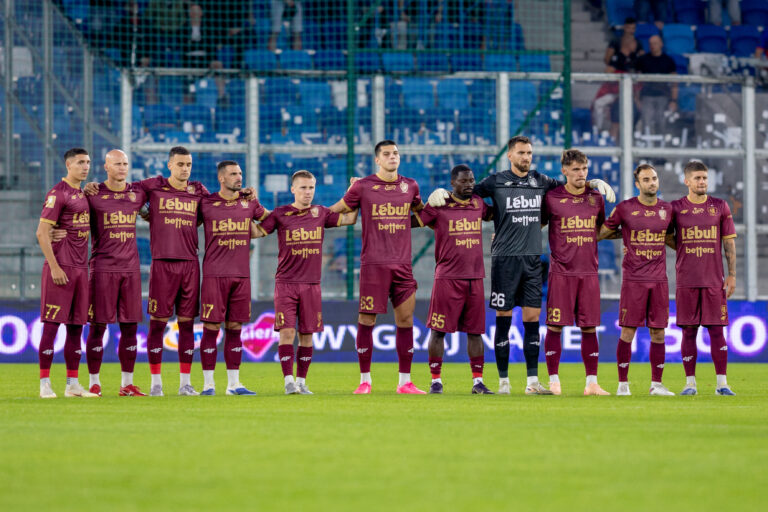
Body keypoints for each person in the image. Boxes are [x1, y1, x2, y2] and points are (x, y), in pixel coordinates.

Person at [427, 136, 615, 395]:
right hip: (504, 259)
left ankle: (532, 382)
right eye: (521, 153)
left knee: (532, 320)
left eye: (529, 153)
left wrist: (591, 182)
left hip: (532, 259)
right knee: (503, 319)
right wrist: (443, 193)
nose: (526, 157)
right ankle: (504, 383)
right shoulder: (495, 181)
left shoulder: (540, 181)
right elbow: (466, 192)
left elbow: (569, 185)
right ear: (510, 155)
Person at [329, 140, 426, 394]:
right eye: (387, 154)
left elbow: (422, 214)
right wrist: (312, 217)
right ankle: (365, 380)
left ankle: (405, 382)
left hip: (402, 265)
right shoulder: (363, 186)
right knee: (366, 319)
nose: (393, 157)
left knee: (406, 320)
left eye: (396, 153)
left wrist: (438, 207)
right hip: (373, 264)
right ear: (377, 160)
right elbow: (337, 209)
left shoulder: (411, 186)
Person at [256, 170, 358, 394]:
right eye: (303, 187)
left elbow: (350, 218)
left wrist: (355, 192)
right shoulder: (281, 214)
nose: (308, 192)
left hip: (312, 284)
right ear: (293, 189)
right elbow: (257, 232)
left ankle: (301, 382)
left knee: (307, 334)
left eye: (311, 187)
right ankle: (288, 381)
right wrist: (244, 209)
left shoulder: (320, 213)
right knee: (287, 333)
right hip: (286, 283)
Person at [412, 164, 494, 394]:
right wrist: (419, 202)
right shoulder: (440, 205)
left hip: (475, 278)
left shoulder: (478, 203)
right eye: (463, 181)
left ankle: (478, 382)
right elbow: (414, 221)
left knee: (475, 332)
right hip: (447, 278)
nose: (469, 185)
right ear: (452, 183)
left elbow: (496, 214)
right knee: (438, 331)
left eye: (471, 180)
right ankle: (435, 381)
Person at [598, 164, 675, 396]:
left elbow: (670, 238)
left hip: (659, 280)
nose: (652, 182)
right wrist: (625, 234)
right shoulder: (625, 208)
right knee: (627, 332)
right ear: (637, 184)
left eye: (654, 178)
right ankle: (623, 384)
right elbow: (602, 233)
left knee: (658, 333)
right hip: (633, 280)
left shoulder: (667, 209)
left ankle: (656, 385)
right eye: (646, 179)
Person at [196, 161, 269, 396]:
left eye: (240, 173)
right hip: (214, 275)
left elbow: (270, 219)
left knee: (235, 328)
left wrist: (259, 229)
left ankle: (234, 384)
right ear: (221, 178)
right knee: (211, 327)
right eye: (233, 174)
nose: (239, 177)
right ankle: (208, 385)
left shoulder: (249, 202)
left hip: (241, 275)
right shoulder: (206, 203)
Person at [541, 149, 610, 396]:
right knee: (555, 327)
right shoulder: (552, 198)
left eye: (584, 169)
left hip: (588, 273)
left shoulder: (596, 198)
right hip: (561, 273)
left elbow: (600, 231)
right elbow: (536, 224)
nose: (582, 174)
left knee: (589, 328)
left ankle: (592, 383)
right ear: (565, 171)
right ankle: (553, 381)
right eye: (576, 169)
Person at [668, 161, 737, 395]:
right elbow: (664, 235)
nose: (702, 182)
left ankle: (722, 384)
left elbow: (729, 242)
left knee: (717, 331)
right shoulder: (676, 208)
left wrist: (732, 275)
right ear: (686, 181)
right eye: (697, 178)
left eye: (705, 178)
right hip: (686, 280)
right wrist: (682, 246)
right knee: (689, 331)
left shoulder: (720, 206)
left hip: (713, 281)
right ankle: (690, 384)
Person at [83, 150, 148, 397]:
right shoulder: (93, 194)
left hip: (130, 270)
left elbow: (160, 198)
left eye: (125, 163)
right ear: (106, 167)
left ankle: (127, 384)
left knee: (130, 327)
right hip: (102, 268)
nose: (122, 167)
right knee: (98, 327)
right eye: (117, 163)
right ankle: (94, 383)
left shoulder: (137, 193)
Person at [36, 149, 98, 398]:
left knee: (76, 328)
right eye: (80, 162)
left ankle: (72, 385)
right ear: (69, 165)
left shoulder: (83, 193)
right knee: (51, 327)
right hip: (60, 269)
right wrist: (54, 266)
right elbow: (41, 233)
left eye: (88, 162)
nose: (85, 166)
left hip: (81, 270)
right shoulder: (57, 193)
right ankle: (44, 384)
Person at [634, 35, 678, 137]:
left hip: (663, 96)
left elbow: (675, 82)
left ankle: (661, 145)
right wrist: (637, 99)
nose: (653, 46)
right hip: (647, 97)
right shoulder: (643, 60)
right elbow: (637, 82)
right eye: (650, 44)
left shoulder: (668, 60)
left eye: (655, 43)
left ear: (661, 44)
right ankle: (647, 145)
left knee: (662, 123)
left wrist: (674, 100)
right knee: (646, 123)